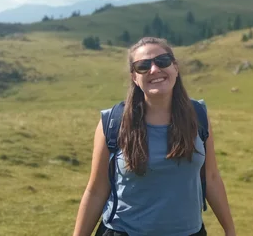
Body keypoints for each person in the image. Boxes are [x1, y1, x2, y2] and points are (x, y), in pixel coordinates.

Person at [73, 37, 236, 236]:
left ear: (175, 68)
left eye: (163, 61)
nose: (154, 70)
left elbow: (211, 178)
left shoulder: (198, 116)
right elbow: (97, 190)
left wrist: (230, 230)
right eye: (143, 66)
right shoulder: (112, 122)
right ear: (134, 77)